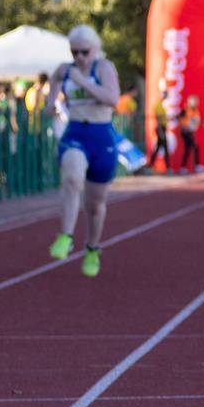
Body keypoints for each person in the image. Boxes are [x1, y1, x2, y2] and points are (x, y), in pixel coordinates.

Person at [47, 24, 123, 277]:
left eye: (84, 52)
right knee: (71, 179)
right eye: (74, 52)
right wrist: (51, 101)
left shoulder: (104, 68)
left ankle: (92, 247)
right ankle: (65, 235)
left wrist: (82, 82)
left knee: (95, 205)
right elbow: (55, 79)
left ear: (95, 49)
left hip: (101, 136)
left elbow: (113, 99)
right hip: (76, 131)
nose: (79, 57)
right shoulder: (65, 69)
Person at [178, 95, 203, 172]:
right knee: (193, 148)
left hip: (190, 132)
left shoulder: (195, 111)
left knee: (189, 149)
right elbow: (180, 119)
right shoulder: (186, 110)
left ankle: (185, 167)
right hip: (186, 132)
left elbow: (196, 121)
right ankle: (193, 166)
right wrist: (186, 127)